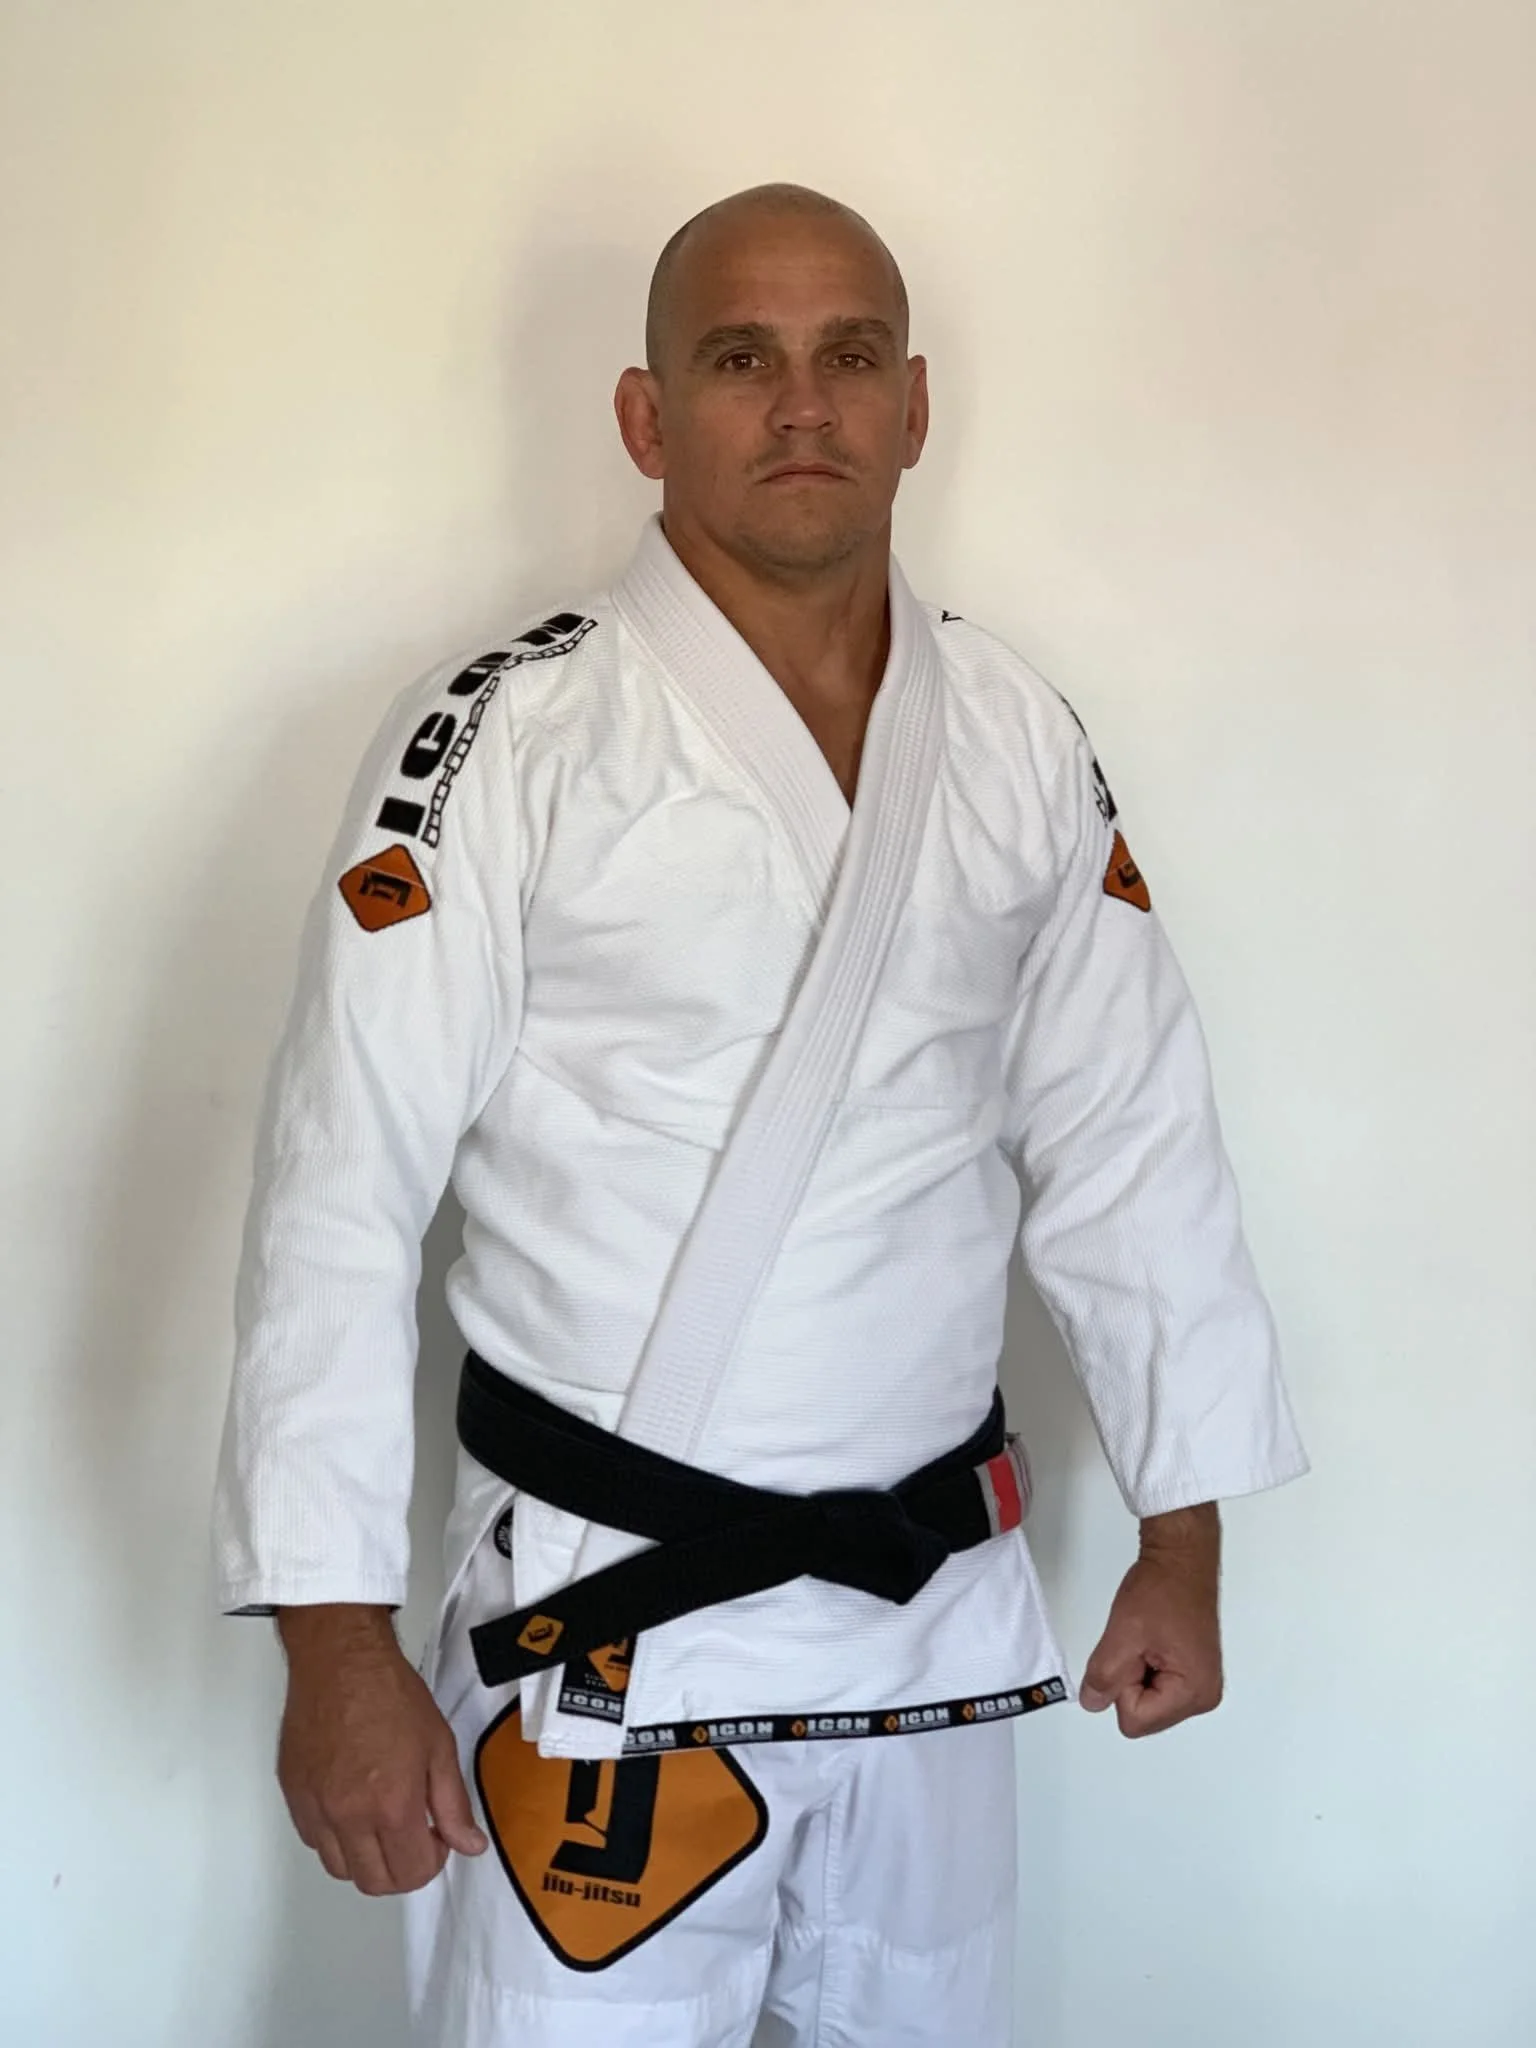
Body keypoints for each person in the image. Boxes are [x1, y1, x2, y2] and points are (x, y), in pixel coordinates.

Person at [214, 183, 1308, 2048]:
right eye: (742, 360)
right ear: (648, 419)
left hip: (929, 1623)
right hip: (601, 1643)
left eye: (848, 358)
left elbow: (1133, 1145)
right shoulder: (505, 738)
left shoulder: (1019, 737)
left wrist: (1183, 1538)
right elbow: (339, 1197)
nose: (803, 406)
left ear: (914, 405)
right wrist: (334, 1647)